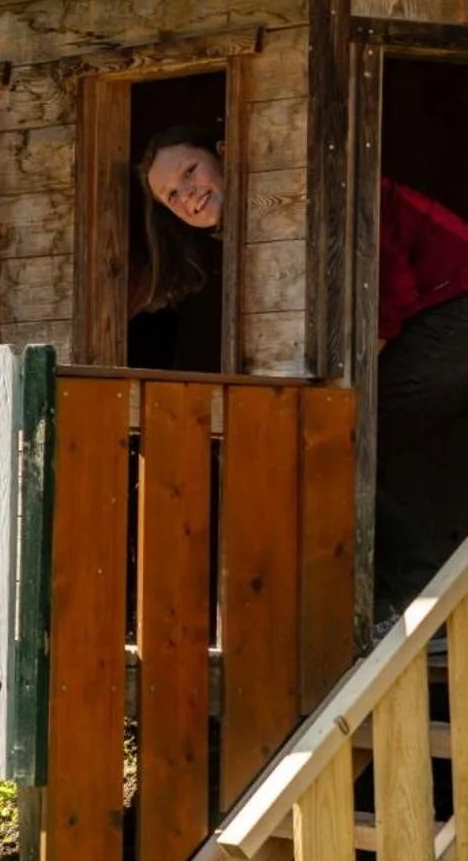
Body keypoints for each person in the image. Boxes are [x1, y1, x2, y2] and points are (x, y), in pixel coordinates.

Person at [140, 128, 468, 614]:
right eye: (171, 195)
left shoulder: (307, 188)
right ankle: (408, 600)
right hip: (432, 320)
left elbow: (389, 283)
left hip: (455, 305)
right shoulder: (255, 226)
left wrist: (351, 376)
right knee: (329, 439)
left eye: (190, 171)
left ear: (226, 153)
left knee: (337, 439)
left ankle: (419, 600)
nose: (187, 194)